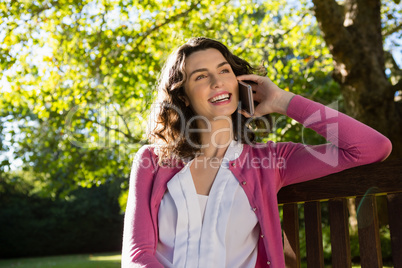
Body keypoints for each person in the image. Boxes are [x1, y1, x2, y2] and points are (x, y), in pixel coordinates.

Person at [121, 37, 392, 268]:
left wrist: (283, 101)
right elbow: (137, 255)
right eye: (201, 76)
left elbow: (372, 148)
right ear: (182, 96)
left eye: (224, 70)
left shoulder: (271, 161)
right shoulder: (152, 159)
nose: (217, 82)